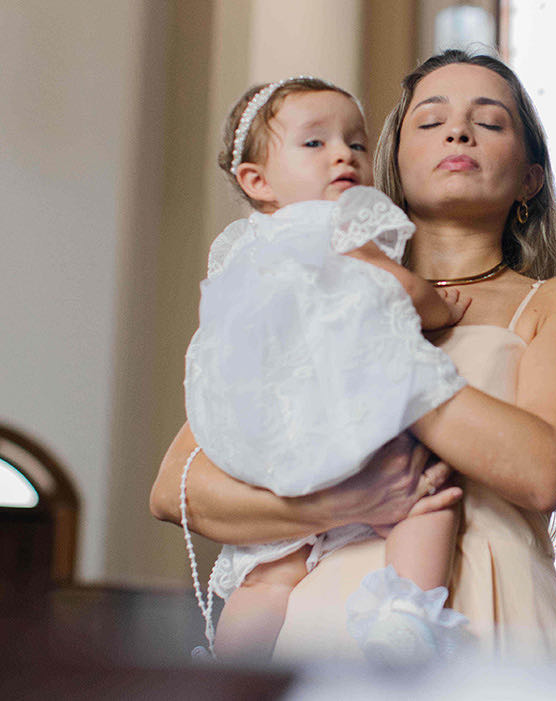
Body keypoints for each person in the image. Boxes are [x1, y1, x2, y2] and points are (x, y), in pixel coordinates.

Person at [152, 50, 556, 664]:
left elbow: (547, 470)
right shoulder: (314, 289)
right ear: (393, 160)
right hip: (321, 623)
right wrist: (345, 504)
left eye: (490, 122)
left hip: (492, 617)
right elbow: (176, 487)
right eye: (431, 121)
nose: (459, 132)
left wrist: (371, 355)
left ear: (530, 178)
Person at [182, 77, 471, 663]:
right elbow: (407, 296)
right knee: (426, 500)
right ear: (256, 181)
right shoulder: (347, 229)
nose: (344, 155)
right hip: (343, 418)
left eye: (356, 143)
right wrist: (440, 306)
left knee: (268, 576)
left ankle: (228, 672)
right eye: (315, 143)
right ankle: (405, 614)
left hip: (267, 443)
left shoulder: (241, 248)